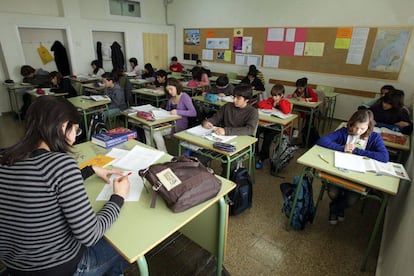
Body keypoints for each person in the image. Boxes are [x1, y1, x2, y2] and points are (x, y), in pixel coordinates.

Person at [0, 95, 130, 275]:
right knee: (125, 246)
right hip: (61, 268)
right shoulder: (61, 164)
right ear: (63, 126)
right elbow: (90, 235)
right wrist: (118, 197)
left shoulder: (5, 157)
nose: (75, 138)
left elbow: (42, 182)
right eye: (75, 130)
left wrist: (90, 169)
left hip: (15, 266)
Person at [316, 109, 389, 225]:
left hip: (358, 175)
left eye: (362, 129)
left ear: (368, 127)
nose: (358, 131)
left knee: (351, 200)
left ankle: (335, 209)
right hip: (339, 170)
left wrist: (358, 151)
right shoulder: (344, 132)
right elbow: (322, 141)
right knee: (333, 193)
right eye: (355, 127)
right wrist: (342, 148)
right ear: (351, 124)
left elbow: (384, 157)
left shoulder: (374, 137)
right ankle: (338, 209)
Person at [201, 84, 259, 175]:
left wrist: (226, 131)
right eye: (234, 97)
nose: (234, 100)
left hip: (240, 143)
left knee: (230, 164)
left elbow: (249, 129)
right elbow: (216, 118)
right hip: (223, 139)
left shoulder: (252, 112)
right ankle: (203, 178)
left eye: (238, 98)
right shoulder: (228, 106)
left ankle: (225, 184)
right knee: (200, 155)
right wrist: (208, 122)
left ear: (247, 99)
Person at [145, 78, 196, 151]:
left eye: (171, 89)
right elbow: (167, 112)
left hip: (179, 125)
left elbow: (193, 112)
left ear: (177, 87)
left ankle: (163, 154)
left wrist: (178, 111)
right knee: (147, 128)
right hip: (168, 122)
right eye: (168, 90)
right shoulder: (171, 98)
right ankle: (149, 150)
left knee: (155, 132)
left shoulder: (184, 97)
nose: (170, 92)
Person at [255, 84, 292, 169]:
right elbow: (260, 104)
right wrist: (272, 106)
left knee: (267, 138)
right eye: (273, 95)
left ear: (282, 95)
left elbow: (286, 111)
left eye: (276, 96)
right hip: (267, 123)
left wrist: (280, 102)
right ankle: (255, 151)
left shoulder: (285, 102)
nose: (274, 98)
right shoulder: (271, 100)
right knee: (256, 131)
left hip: (278, 126)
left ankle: (262, 158)